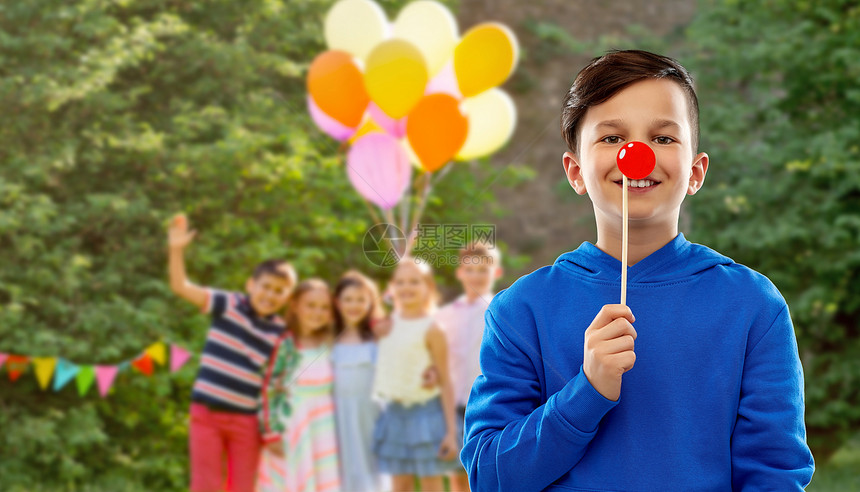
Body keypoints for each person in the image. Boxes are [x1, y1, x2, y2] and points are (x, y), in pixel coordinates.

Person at [461, 49, 815, 490]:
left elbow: (774, 472)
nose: (637, 155)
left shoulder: (753, 306)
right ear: (575, 171)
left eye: (663, 139)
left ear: (695, 171)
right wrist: (586, 393)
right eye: (612, 138)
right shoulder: (520, 309)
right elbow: (490, 475)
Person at [167, 213, 297, 492]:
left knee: (241, 487)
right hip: (207, 413)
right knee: (206, 486)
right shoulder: (228, 303)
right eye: (266, 287)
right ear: (251, 285)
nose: (270, 295)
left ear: (287, 298)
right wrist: (176, 250)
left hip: (246, 421)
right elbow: (181, 287)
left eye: (279, 291)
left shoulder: (281, 332)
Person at [372, 257, 461, 492]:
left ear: (428, 287)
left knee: (431, 484)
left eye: (415, 282)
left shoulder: (433, 329)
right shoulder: (384, 326)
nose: (407, 288)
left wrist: (451, 432)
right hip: (393, 415)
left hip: (426, 416)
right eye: (400, 283)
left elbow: (445, 381)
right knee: (400, 486)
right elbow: (367, 308)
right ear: (391, 288)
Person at [257, 279, 341, 492]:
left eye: (324, 308)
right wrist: (270, 433)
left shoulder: (331, 343)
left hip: (324, 428)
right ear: (295, 306)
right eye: (310, 305)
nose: (317, 312)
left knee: (325, 481)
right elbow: (268, 389)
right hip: (291, 425)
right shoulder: (285, 343)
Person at [434, 241, 503, 492]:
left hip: (489, 403)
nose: (476, 276)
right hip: (454, 405)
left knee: (489, 473)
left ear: (495, 273)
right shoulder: (445, 315)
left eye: (483, 269)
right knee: (458, 477)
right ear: (460, 272)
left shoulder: (501, 310)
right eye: (470, 269)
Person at [330, 271, 386, 492]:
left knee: (371, 471)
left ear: (370, 302)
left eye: (361, 300)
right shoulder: (329, 337)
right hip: (337, 415)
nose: (354, 305)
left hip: (370, 415)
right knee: (341, 471)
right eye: (348, 299)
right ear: (337, 302)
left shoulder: (377, 336)